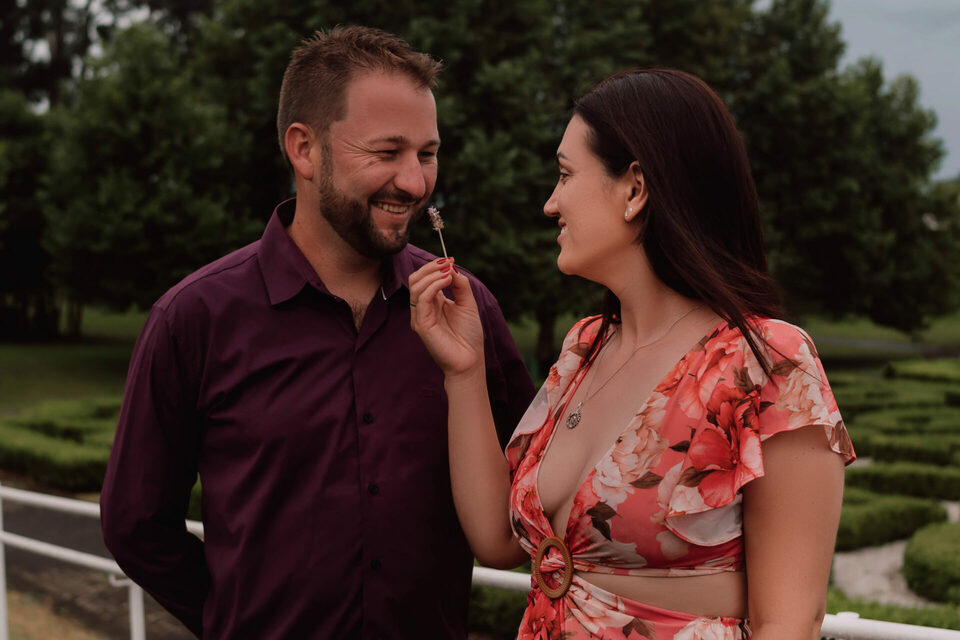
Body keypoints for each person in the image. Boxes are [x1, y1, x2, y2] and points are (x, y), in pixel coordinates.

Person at [100, 26, 535, 639]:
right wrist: (235, 621)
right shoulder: (194, 318)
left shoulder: (468, 309)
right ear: (304, 150)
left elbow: (531, 493)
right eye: (387, 152)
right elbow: (136, 525)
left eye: (427, 153)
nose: (415, 182)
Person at [409, 69, 855, 640]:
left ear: (635, 189)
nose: (550, 204)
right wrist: (464, 369)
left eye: (565, 175)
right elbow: (498, 540)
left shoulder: (766, 362)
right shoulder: (584, 348)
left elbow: (789, 622)